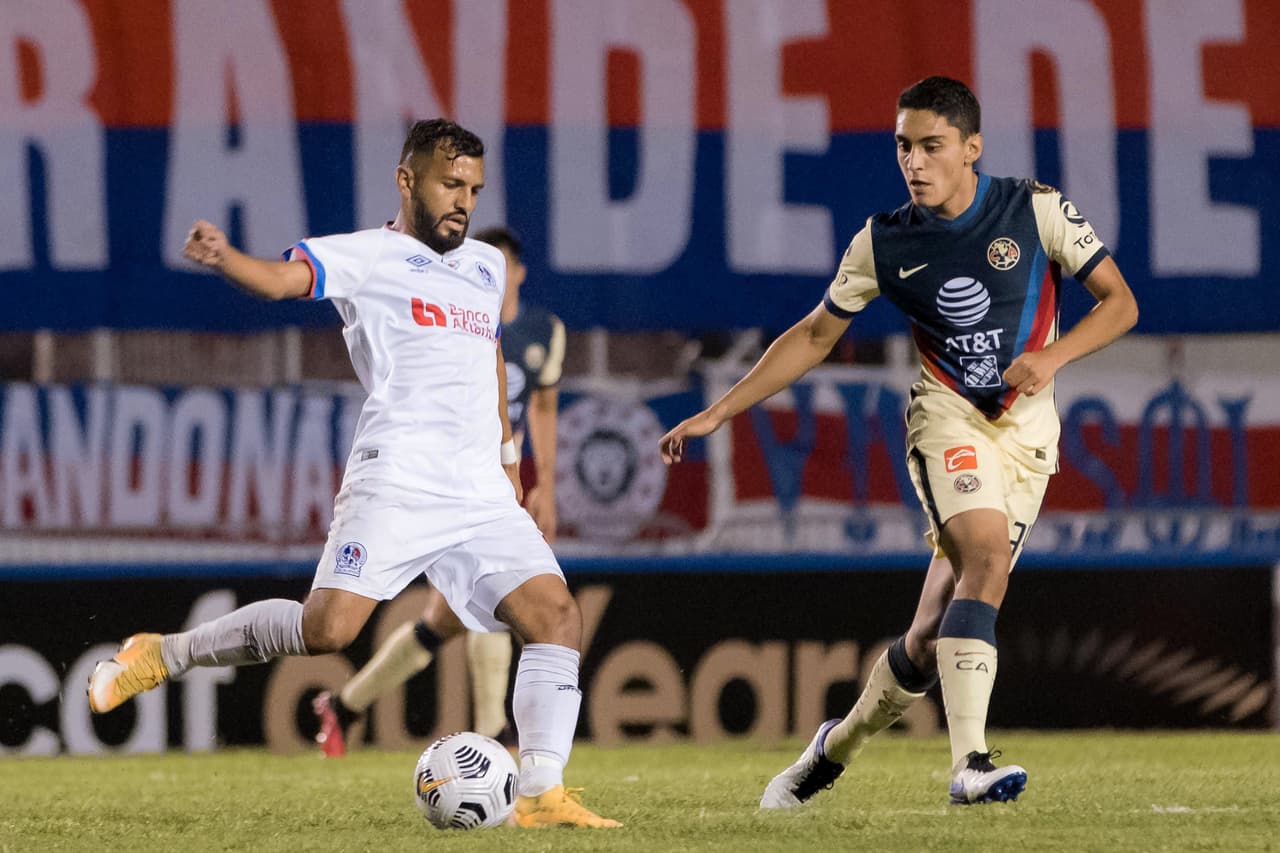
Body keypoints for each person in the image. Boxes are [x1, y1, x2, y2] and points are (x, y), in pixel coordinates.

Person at [87, 118, 619, 829]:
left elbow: (489, 354)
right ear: (407, 180)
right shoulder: (368, 256)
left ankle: (542, 792)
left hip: (479, 491)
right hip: (397, 475)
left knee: (555, 614)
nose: (463, 200)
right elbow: (282, 280)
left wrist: (508, 456)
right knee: (328, 629)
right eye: (449, 184)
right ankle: (162, 652)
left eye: (473, 188)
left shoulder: (486, 265)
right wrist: (227, 257)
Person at [659, 76, 1138, 807]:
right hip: (947, 418)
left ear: (972, 148)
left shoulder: (1034, 209)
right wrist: (719, 412)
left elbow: (1120, 302)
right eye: (903, 146)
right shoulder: (883, 241)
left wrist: (1053, 356)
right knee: (984, 558)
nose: (914, 162)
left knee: (925, 638)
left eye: (932, 146)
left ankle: (831, 748)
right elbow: (817, 333)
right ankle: (971, 762)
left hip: (1028, 432)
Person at [311, 225, 566, 758]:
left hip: (495, 477)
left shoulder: (543, 328)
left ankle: (346, 706)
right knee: (494, 593)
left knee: (442, 621)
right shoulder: (453, 321)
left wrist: (546, 484)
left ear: (514, 272)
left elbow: (542, 409)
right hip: (446, 479)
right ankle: (495, 732)